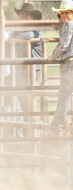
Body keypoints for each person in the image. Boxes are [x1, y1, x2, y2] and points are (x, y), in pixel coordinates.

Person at [11, 3, 43, 114]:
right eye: (22, 14)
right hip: (21, 68)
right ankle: (23, 126)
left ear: (33, 17)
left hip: (32, 69)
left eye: (27, 14)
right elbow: (11, 36)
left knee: (26, 98)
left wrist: (14, 38)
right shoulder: (18, 30)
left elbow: (28, 35)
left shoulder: (35, 29)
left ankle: (27, 124)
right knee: (20, 97)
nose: (23, 16)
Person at [48, 0, 73, 136]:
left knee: (63, 96)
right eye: (62, 13)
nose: (64, 16)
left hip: (71, 64)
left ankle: (57, 128)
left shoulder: (69, 25)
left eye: (67, 13)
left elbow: (64, 45)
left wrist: (53, 56)